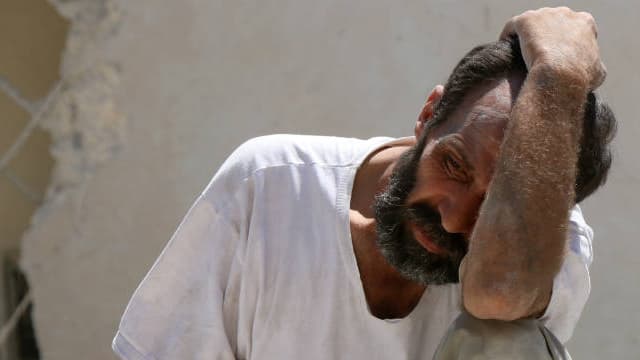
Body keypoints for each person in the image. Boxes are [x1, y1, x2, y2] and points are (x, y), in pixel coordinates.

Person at [112, 7, 616, 359]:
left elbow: (501, 295)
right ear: (428, 115)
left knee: (505, 341)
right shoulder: (272, 185)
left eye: (491, 206)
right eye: (454, 166)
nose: (453, 217)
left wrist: (560, 75)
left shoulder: (549, 243)